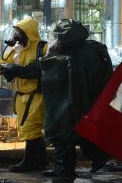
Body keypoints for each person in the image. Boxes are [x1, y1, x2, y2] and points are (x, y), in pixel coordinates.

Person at [40, 19, 113, 178]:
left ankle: (65, 168)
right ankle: (93, 158)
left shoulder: (66, 54)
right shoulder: (90, 48)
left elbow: (49, 75)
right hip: (87, 102)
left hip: (69, 102)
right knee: (77, 133)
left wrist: (48, 56)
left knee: (62, 134)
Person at [0, 17, 48, 172]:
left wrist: (15, 69)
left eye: (19, 32)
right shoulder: (18, 49)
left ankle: (29, 163)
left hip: (36, 95)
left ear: (28, 33)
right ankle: (41, 160)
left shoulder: (41, 48)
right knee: (30, 129)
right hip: (21, 95)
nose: (16, 35)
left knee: (31, 128)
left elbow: (39, 69)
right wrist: (6, 65)